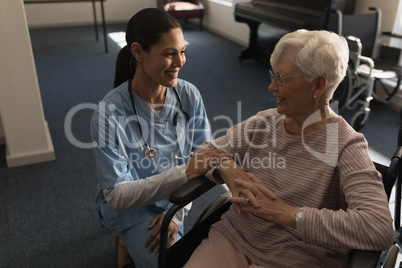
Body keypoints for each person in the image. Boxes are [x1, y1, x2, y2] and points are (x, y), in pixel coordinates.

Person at [184, 29, 394, 267]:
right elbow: (198, 157)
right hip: (235, 237)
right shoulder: (263, 123)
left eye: (281, 78)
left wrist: (286, 213)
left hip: (299, 256)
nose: (271, 87)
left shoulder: (347, 145)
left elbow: (378, 227)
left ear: (318, 84)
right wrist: (226, 166)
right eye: (272, 75)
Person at [90, 8, 230, 268]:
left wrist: (175, 215)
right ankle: (126, 240)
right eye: (169, 53)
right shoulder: (108, 113)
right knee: (170, 262)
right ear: (138, 52)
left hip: (174, 200)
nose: (180, 62)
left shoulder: (188, 95)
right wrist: (185, 173)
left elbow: (205, 156)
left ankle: (128, 246)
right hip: (130, 210)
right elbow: (117, 196)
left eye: (183, 51)